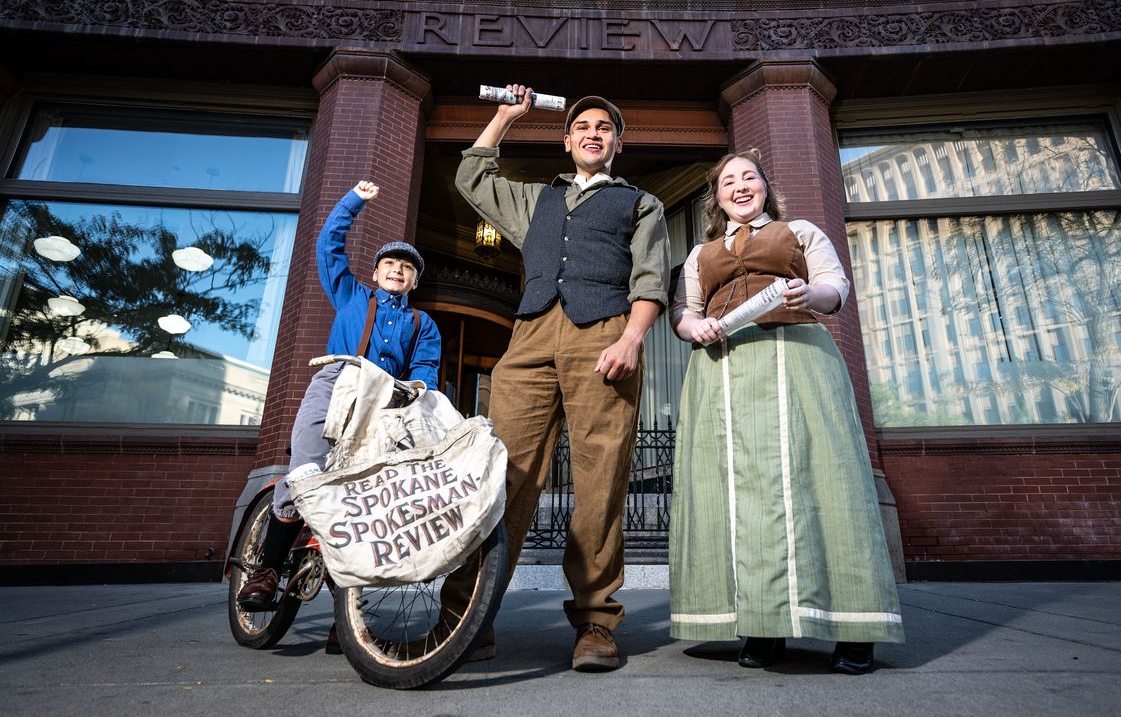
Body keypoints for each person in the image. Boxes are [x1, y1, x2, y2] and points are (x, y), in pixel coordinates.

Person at [441, 85, 670, 672]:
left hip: (605, 337)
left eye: (604, 127)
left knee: (601, 479)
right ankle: (467, 613)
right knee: (502, 473)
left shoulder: (641, 203)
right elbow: (472, 177)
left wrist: (630, 338)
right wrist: (504, 117)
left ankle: (595, 621)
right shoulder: (536, 200)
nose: (593, 133)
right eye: (583, 127)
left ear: (617, 142)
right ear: (567, 141)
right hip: (532, 335)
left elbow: (650, 281)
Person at [667, 149, 903, 673]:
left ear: (765, 187)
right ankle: (762, 624)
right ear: (718, 197)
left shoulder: (800, 232)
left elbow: (834, 286)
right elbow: (685, 311)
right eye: (729, 180)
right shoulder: (700, 254)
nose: (740, 185)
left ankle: (854, 626)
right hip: (723, 373)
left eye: (749, 176)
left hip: (797, 362)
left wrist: (809, 294)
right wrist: (691, 327)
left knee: (826, 482)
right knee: (738, 495)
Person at [236, 180, 441, 624]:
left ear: (415, 280)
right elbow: (328, 244)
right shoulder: (351, 295)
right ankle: (266, 572)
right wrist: (354, 202)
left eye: (406, 268)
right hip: (336, 380)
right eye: (389, 264)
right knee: (306, 467)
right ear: (375, 272)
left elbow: (425, 367)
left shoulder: (423, 322)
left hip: (384, 400)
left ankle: (346, 618)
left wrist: (420, 391)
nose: (397, 271)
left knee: (364, 497)